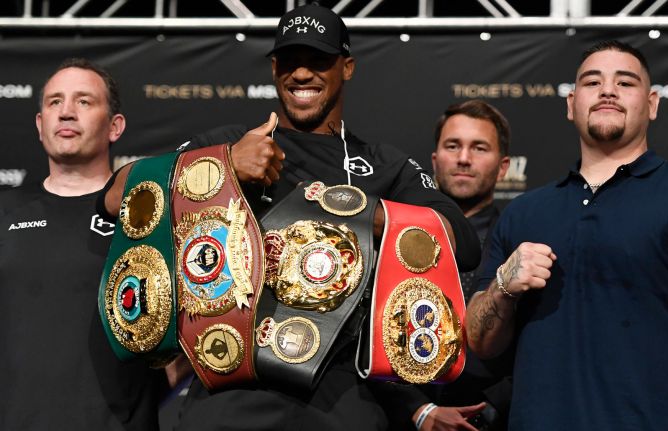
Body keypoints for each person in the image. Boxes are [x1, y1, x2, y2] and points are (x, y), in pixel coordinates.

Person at [101, 3, 482, 430]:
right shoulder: (230, 144)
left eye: (318, 61)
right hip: (228, 394)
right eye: (290, 62)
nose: (302, 74)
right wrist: (224, 165)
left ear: (348, 67)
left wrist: (360, 211)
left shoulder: (381, 165)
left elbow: (461, 243)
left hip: (341, 402)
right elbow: (117, 195)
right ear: (274, 68)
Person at [466, 40, 668, 431]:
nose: (607, 90)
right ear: (570, 104)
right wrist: (503, 287)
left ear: (652, 103)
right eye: (592, 81)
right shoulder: (524, 212)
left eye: (626, 82)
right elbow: (481, 343)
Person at [0, 59, 165, 429]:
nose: (67, 113)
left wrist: (141, 394)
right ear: (40, 124)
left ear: (115, 126)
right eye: (55, 102)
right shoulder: (4, 211)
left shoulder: (149, 217)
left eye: (84, 102)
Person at [430, 100, 513, 431]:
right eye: (453, 146)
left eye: (479, 148)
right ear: (435, 160)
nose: (464, 158)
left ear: (504, 166)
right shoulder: (395, 231)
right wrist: (417, 410)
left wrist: (491, 408)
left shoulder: (524, 238)